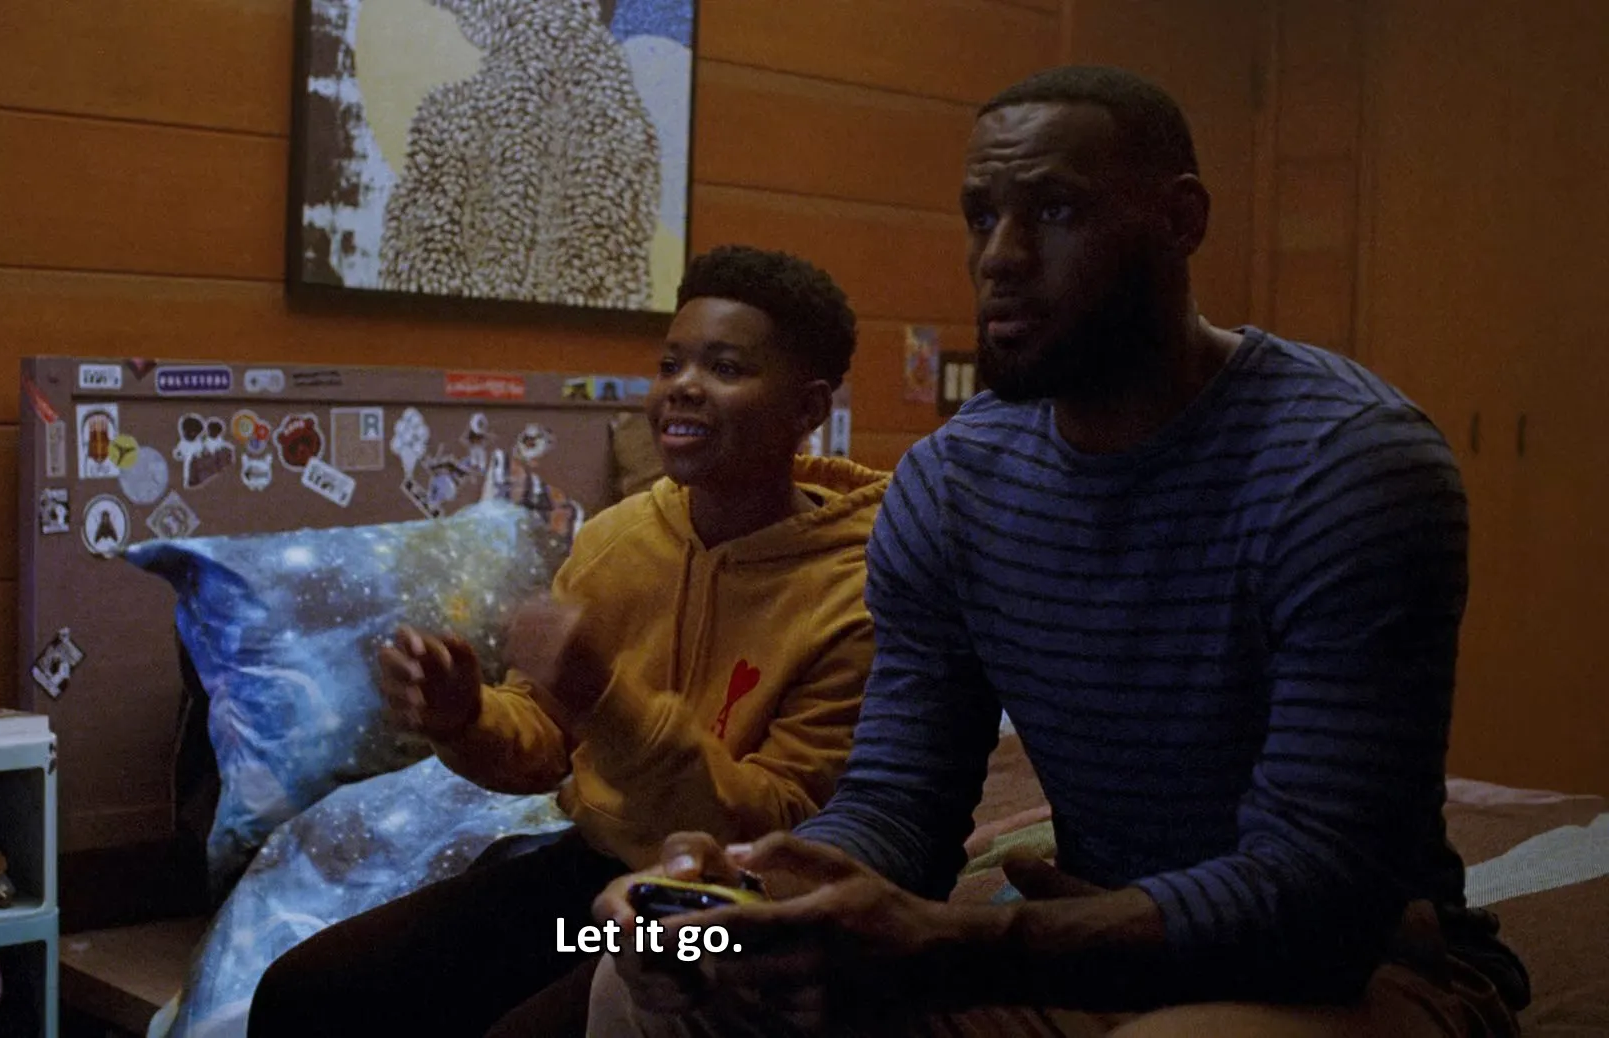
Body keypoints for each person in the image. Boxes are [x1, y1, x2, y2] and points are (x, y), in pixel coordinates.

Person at [588, 65, 1530, 1037]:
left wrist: (963, 946)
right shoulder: (952, 485)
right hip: (1084, 941)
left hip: (1362, 966)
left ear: (1181, 220)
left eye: (1056, 210)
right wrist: (757, 890)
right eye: (981, 216)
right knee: (649, 979)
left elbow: (1321, 897)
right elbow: (902, 804)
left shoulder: (1343, 463)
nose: (1001, 256)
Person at [247, 245, 891, 1036]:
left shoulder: (858, 589)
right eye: (672, 363)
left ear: (807, 407)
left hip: (724, 907)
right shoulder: (619, 540)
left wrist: (606, 700)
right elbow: (545, 741)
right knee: (307, 993)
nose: (683, 386)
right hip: (590, 870)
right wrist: (465, 716)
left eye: (725, 367)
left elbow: (774, 830)